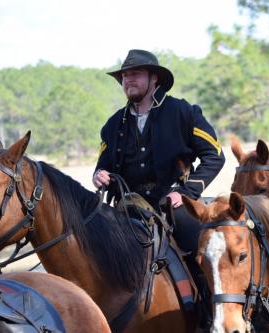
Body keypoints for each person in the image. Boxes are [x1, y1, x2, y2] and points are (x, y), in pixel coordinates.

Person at [92, 49, 225, 327]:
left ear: (154, 78)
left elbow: (215, 155)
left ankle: (212, 317)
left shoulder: (182, 112)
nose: (129, 80)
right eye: (125, 75)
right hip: (127, 208)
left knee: (203, 250)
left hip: (174, 206)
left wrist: (187, 193)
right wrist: (99, 175)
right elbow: (103, 165)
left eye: (136, 74)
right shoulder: (113, 124)